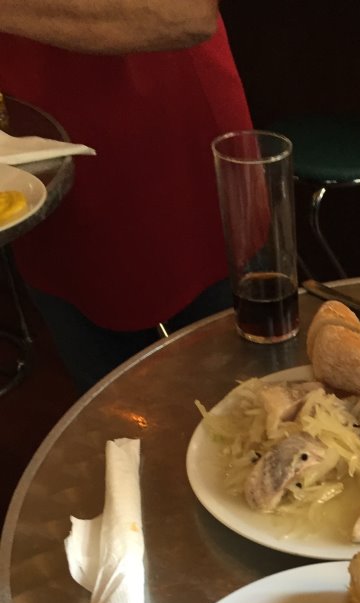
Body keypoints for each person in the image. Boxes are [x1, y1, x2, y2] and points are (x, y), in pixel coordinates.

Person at [0, 0, 252, 390]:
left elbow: (185, 14)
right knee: (109, 406)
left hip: (172, 160)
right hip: (36, 167)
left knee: (240, 393)